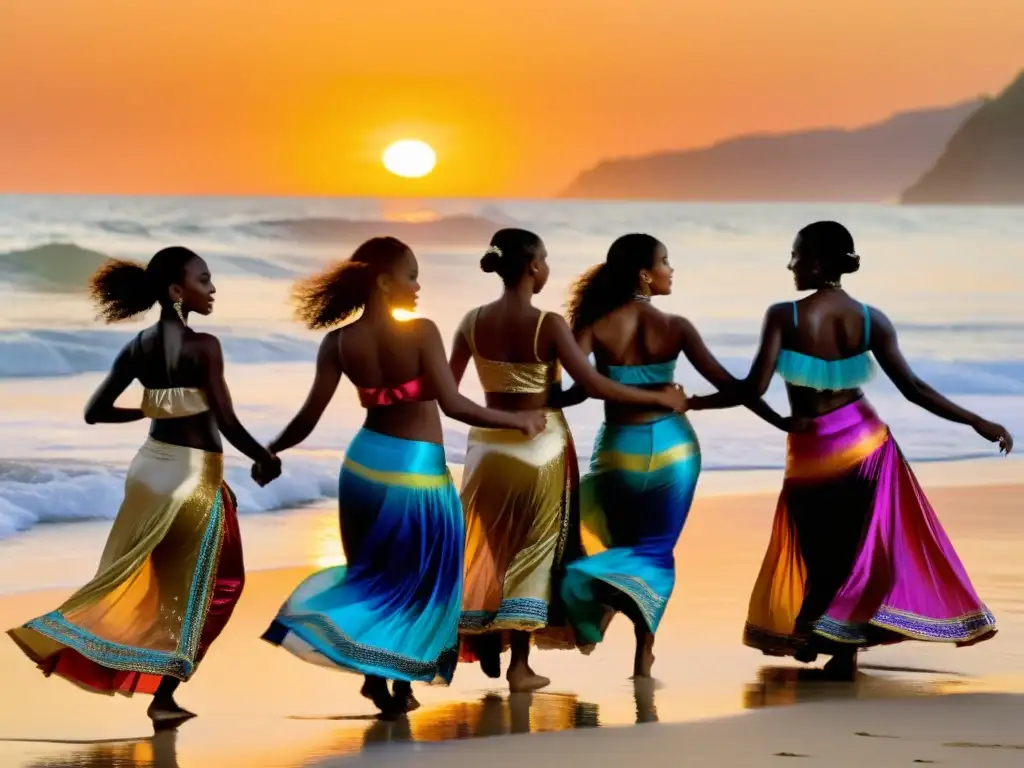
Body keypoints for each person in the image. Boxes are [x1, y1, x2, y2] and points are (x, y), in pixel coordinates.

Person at [259, 236, 545, 716]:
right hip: (417, 472)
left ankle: (382, 678)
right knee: (425, 578)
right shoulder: (421, 332)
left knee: (374, 576)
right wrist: (517, 420)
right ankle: (399, 676)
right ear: (382, 280)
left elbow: (309, 416)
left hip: (364, 469)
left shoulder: (338, 342)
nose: (417, 285)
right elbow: (453, 404)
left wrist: (271, 450)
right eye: (411, 275)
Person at [712, 221, 1011, 679]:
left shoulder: (783, 315)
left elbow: (752, 387)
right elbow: (913, 388)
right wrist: (976, 420)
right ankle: (837, 644)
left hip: (812, 450)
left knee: (818, 547)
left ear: (813, 262)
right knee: (858, 549)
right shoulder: (872, 319)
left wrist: (702, 402)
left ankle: (821, 634)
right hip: (865, 440)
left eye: (794, 255)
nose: (790, 265)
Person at [8, 246, 280, 724]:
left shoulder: (137, 346)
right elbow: (227, 419)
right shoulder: (204, 346)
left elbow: (95, 412)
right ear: (178, 291)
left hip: (148, 470)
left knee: (145, 577)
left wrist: (152, 408)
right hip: (192, 474)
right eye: (204, 279)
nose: (212, 288)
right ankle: (163, 697)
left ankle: (85, 648)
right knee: (217, 583)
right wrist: (264, 456)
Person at [448, 228, 687, 692]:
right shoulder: (547, 324)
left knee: (496, 544)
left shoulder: (470, 322)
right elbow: (590, 386)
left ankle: (488, 633)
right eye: (546, 260)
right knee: (534, 550)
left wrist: (497, 413)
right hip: (541, 446)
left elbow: (449, 392)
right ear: (534, 267)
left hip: (485, 447)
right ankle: (520, 665)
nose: (548, 268)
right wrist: (657, 397)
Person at [556, 233, 788, 678]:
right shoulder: (676, 326)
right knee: (656, 549)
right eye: (665, 261)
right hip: (674, 449)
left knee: (622, 541)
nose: (670, 269)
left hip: (620, 447)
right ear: (645, 274)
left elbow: (577, 389)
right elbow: (736, 386)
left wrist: (522, 406)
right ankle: (643, 655)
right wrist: (770, 419)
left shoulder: (594, 324)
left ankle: (595, 599)